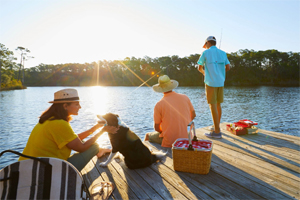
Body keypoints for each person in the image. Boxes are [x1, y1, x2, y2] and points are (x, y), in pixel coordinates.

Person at [18, 88, 118, 171]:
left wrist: (94, 128)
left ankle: (100, 151)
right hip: (47, 169)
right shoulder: (60, 124)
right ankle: (98, 150)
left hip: (28, 166)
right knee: (94, 145)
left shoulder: (49, 119)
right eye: (76, 104)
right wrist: (102, 131)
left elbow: (72, 139)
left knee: (80, 141)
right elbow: (81, 148)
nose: (80, 107)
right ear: (65, 106)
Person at [144, 75, 196, 147]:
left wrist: (167, 131)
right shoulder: (185, 97)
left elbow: (157, 128)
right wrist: (183, 124)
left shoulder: (159, 104)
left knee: (147, 136)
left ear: (160, 88)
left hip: (170, 142)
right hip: (188, 139)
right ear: (171, 86)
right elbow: (193, 115)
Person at [197, 36, 230, 139]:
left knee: (212, 105)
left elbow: (199, 67)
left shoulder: (205, 53)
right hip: (220, 82)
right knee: (218, 104)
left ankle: (216, 131)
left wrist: (205, 74)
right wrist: (220, 74)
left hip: (210, 82)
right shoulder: (223, 53)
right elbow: (228, 67)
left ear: (207, 43)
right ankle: (217, 127)